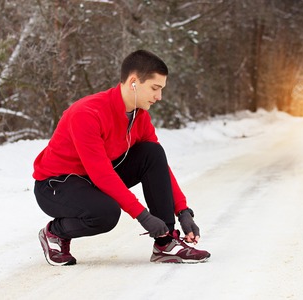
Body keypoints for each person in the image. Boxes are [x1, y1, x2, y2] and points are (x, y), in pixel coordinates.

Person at [33, 49, 211, 265]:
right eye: (155, 88)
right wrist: (143, 216)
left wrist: (183, 211)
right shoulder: (87, 113)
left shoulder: (139, 116)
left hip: (91, 179)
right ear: (134, 81)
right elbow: (102, 175)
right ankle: (55, 233)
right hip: (57, 185)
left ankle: (166, 243)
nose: (159, 97)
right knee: (106, 213)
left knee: (152, 153)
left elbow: (160, 166)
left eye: (161, 90)